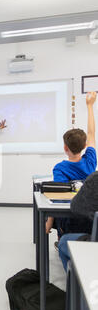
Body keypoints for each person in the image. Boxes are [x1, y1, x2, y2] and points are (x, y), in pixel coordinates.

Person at [46, 91, 97, 237]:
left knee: (58, 217)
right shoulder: (90, 161)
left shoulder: (60, 169)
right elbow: (92, 133)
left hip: (70, 221)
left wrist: (49, 222)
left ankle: (62, 238)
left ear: (65, 148)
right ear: (84, 146)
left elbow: (57, 198)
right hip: (89, 221)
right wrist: (90, 105)